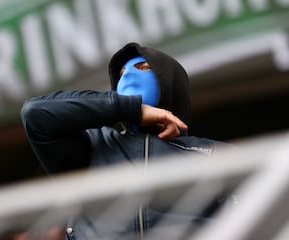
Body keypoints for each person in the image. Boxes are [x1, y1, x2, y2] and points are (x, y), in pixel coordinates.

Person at [21, 42, 231, 240]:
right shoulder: (92, 146)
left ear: (171, 81)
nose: (128, 74)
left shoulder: (211, 151)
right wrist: (130, 109)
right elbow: (35, 114)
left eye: (143, 67)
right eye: (121, 74)